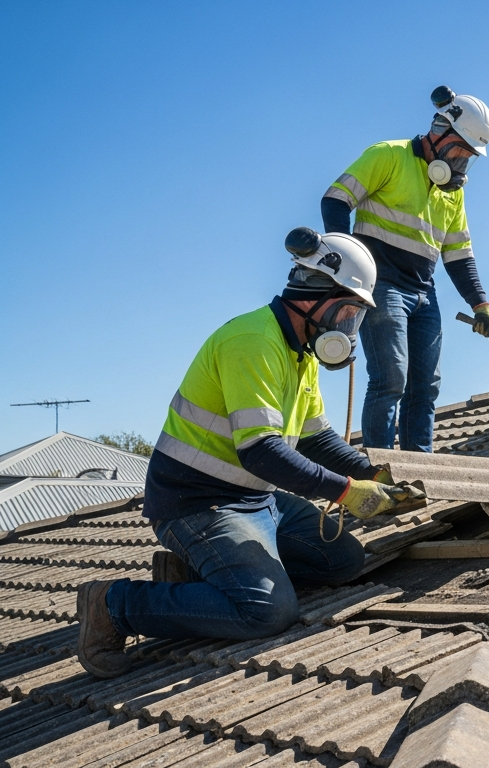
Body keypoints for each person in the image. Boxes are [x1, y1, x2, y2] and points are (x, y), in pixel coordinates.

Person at [75, 229, 423, 679]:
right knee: (267, 611)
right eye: (348, 312)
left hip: (255, 499)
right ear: (315, 293)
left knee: (343, 561)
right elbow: (261, 451)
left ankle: (201, 577)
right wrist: (347, 492)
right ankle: (114, 604)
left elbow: (317, 439)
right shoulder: (252, 341)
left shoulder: (302, 356)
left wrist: (374, 472)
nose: (347, 328)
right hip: (196, 504)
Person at [322, 85, 489, 452]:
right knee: (391, 379)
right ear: (439, 131)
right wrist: (347, 266)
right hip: (381, 286)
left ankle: (420, 470)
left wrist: (481, 304)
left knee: (426, 384)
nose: (462, 162)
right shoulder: (388, 155)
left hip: (423, 293)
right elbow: (336, 200)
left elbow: (459, 255)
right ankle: (381, 470)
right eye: (460, 150)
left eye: (469, 156)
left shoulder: (453, 193)